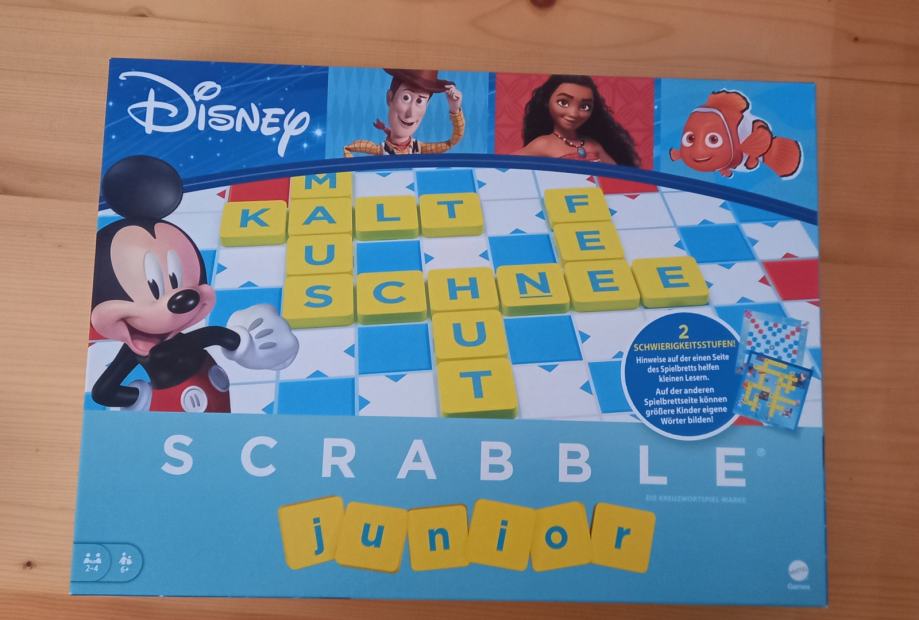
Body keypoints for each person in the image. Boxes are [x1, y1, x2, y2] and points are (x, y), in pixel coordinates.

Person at [513, 75, 638, 166]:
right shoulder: (543, 144)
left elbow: (619, 175)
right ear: (547, 101)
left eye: (585, 107)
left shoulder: (593, 145)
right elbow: (506, 165)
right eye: (563, 102)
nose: (573, 114)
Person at [343, 68, 464, 156]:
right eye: (406, 98)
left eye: (419, 101)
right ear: (390, 98)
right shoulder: (380, 149)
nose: (410, 113)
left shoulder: (420, 148)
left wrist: (455, 109)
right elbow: (348, 148)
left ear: (426, 106)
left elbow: (451, 142)